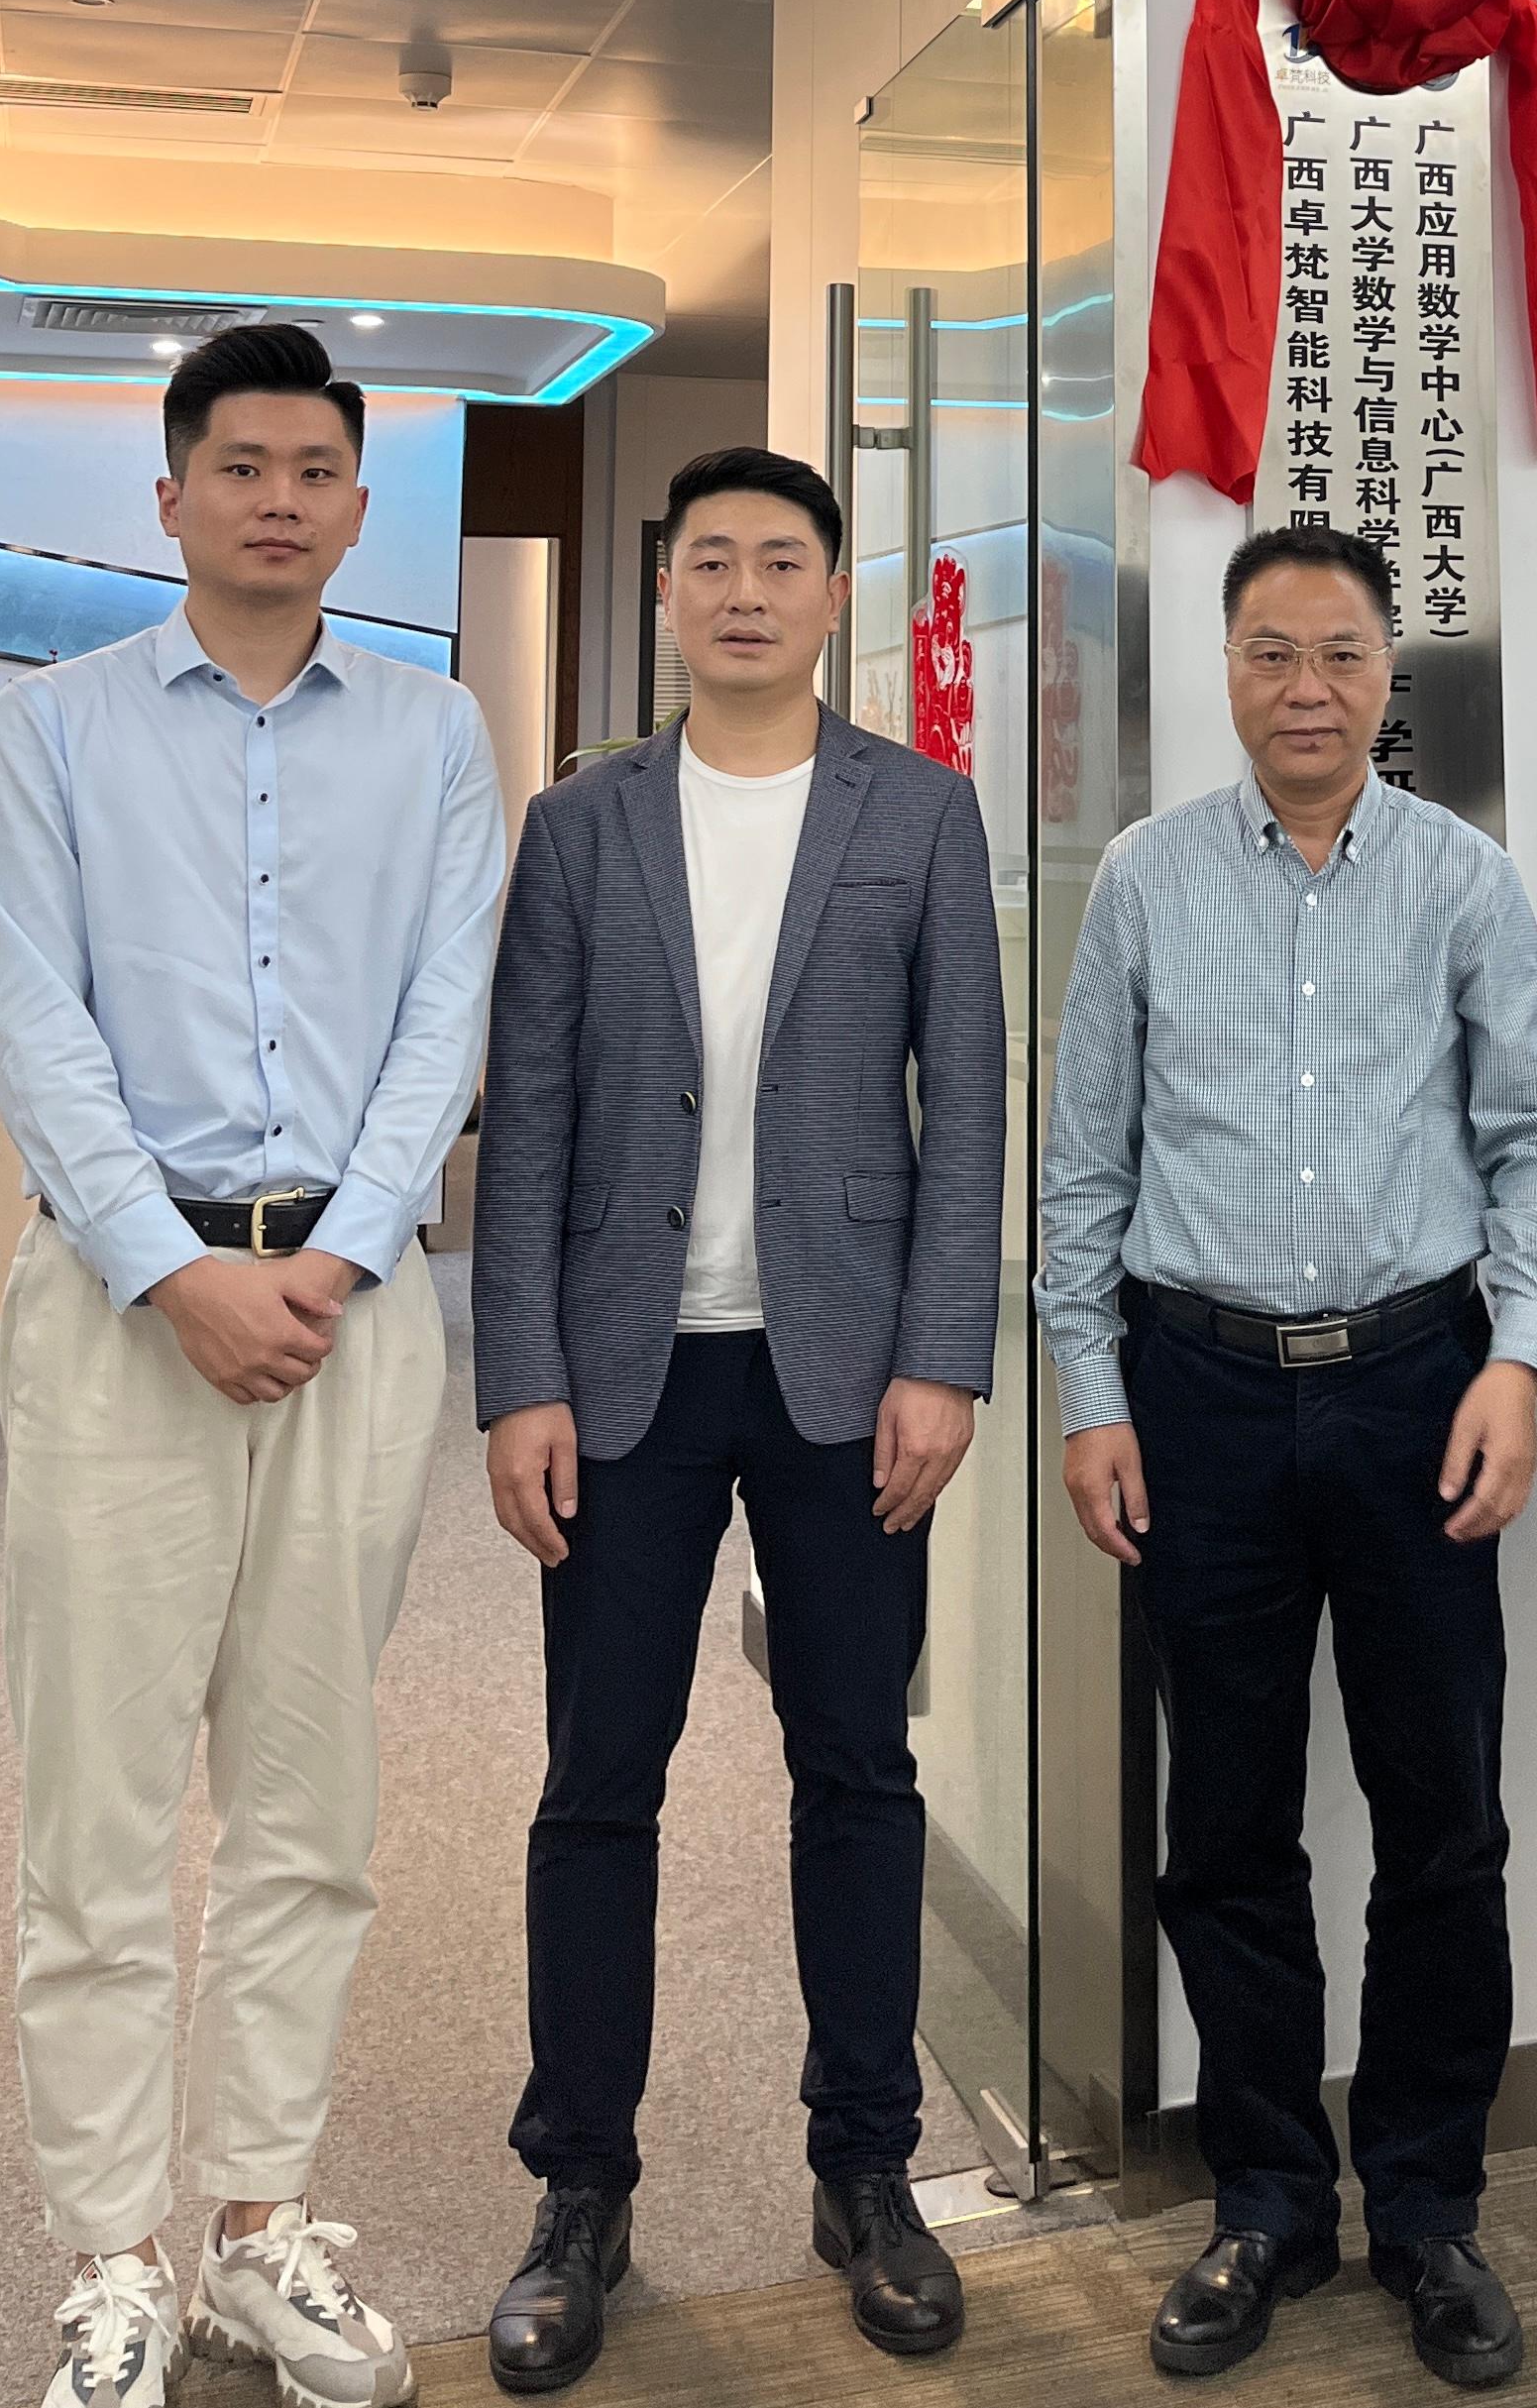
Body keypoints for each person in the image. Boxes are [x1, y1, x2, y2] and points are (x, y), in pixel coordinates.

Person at [0, 322, 503, 2408]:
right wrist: (173, 1270)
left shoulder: (435, 733)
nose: (280, 498)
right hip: (118, 1309)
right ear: (170, 492)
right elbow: (40, 1031)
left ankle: (262, 2226)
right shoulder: (53, 733)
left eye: (316, 470)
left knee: (310, 1795)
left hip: (357, 1313)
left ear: (359, 508)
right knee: (94, 1806)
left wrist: (341, 1254)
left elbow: (444, 1014)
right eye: (243, 465)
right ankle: (112, 2250)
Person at [473, 446, 1006, 2385]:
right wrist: (520, 1376)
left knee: (858, 1767)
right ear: (671, 591)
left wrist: (944, 1354)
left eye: (785, 559)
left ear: (833, 593)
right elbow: (528, 1110)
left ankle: (867, 2165)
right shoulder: (582, 822)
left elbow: (969, 1102)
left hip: (846, 1369)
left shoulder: (918, 809)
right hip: (624, 1371)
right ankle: (580, 2183)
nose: (749, 589)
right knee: (596, 1776)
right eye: (714, 559)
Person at [1039, 523, 1537, 2391]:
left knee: (1444, 1817)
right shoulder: (1144, 878)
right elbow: (1085, 1165)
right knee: (1227, 1823)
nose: (1305, 687)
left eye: (1340, 653)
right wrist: (1091, 1391)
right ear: (1226, 669)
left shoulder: (1463, 879)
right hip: (1194, 1390)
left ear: (1385, 675)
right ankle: (1267, 2197)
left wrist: (1520, 1362)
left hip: (1420, 1379)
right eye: (1271, 651)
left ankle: (1429, 2203)